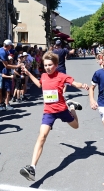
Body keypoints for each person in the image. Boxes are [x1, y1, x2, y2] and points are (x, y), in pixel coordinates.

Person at [19, 51, 89, 181]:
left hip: (62, 109)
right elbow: (40, 84)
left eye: (50, 65)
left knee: (76, 126)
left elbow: (74, 83)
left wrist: (83, 85)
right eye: (45, 65)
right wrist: (28, 73)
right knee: (42, 136)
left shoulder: (62, 76)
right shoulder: (44, 76)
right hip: (49, 111)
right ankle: (32, 167)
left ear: (56, 65)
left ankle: (72, 107)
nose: (47, 67)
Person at [0, 39, 22, 111]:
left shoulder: (5, 51)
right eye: (11, 45)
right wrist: (17, 66)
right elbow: (6, 65)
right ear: (8, 46)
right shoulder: (2, 52)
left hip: (0, 71)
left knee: (3, 89)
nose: (11, 47)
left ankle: (2, 103)